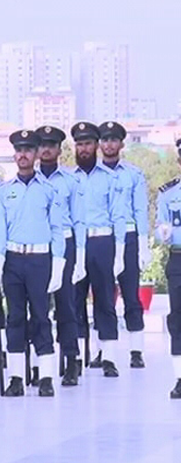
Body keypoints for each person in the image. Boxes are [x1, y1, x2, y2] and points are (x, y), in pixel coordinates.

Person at [0, 129, 64, 397]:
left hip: (40, 260)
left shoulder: (48, 190)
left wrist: (58, 264)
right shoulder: (3, 192)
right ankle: (17, 378)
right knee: (15, 318)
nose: (23, 155)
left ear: (35, 154)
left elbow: (57, 229)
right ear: (15, 155)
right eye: (19, 150)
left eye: (28, 150)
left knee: (42, 317)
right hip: (13, 259)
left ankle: (45, 376)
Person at [71, 122, 126, 377]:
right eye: (79, 144)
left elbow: (118, 218)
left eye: (88, 143)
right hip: (76, 244)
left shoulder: (110, 178)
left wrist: (120, 253)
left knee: (104, 301)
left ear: (96, 145)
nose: (84, 148)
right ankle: (78, 356)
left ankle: (109, 357)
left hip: (102, 242)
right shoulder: (69, 179)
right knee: (74, 301)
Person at [35, 126, 87, 387]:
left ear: (59, 149)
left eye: (51, 145)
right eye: (41, 144)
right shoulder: (26, 180)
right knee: (37, 307)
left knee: (66, 305)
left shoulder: (70, 181)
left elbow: (79, 222)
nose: (46, 149)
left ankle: (71, 360)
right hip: (36, 248)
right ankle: (39, 364)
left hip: (64, 246)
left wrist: (79, 257)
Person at [98, 121, 150, 368]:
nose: (109, 144)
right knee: (103, 297)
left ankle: (136, 350)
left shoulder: (133, 174)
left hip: (128, 238)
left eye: (113, 139)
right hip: (103, 239)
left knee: (131, 295)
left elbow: (140, 210)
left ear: (121, 143)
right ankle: (104, 351)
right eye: (105, 139)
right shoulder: (91, 175)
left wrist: (143, 243)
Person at [156, 139, 181, 398]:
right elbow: (160, 228)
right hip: (178, 259)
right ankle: (180, 377)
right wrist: (161, 233)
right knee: (178, 320)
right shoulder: (169, 194)